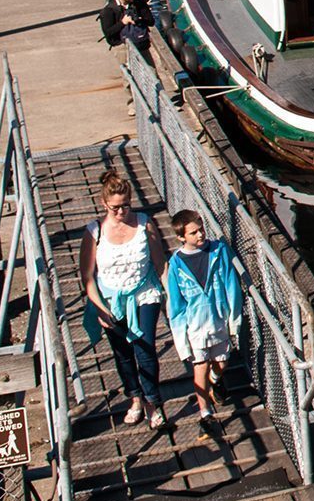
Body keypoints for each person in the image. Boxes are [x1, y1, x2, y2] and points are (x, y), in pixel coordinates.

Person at [79, 171, 170, 430]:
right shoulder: (94, 232)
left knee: (145, 347)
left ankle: (153, 402)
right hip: (110, 299)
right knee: (123, 353)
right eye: (115, 207)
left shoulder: (144, 223)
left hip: (144, 293)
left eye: (126, 205)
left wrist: (169, 298)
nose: (121, 212)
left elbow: (160, 262)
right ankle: (135, 398)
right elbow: (87, 277)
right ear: (104, 204)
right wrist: (99, 308)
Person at [164, 210, 244, 425]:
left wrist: (234, 319)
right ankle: (205, 412)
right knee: (200, 364)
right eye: (193, 233)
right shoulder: (176, 265)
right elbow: (176, 306)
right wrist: (181, 339)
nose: (200, 235)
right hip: (195, 325)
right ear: (182, 237)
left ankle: (215, 380)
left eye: (201, 229)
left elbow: (231, 285)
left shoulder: (218, 251)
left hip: (218, 320)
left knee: (222, 361)